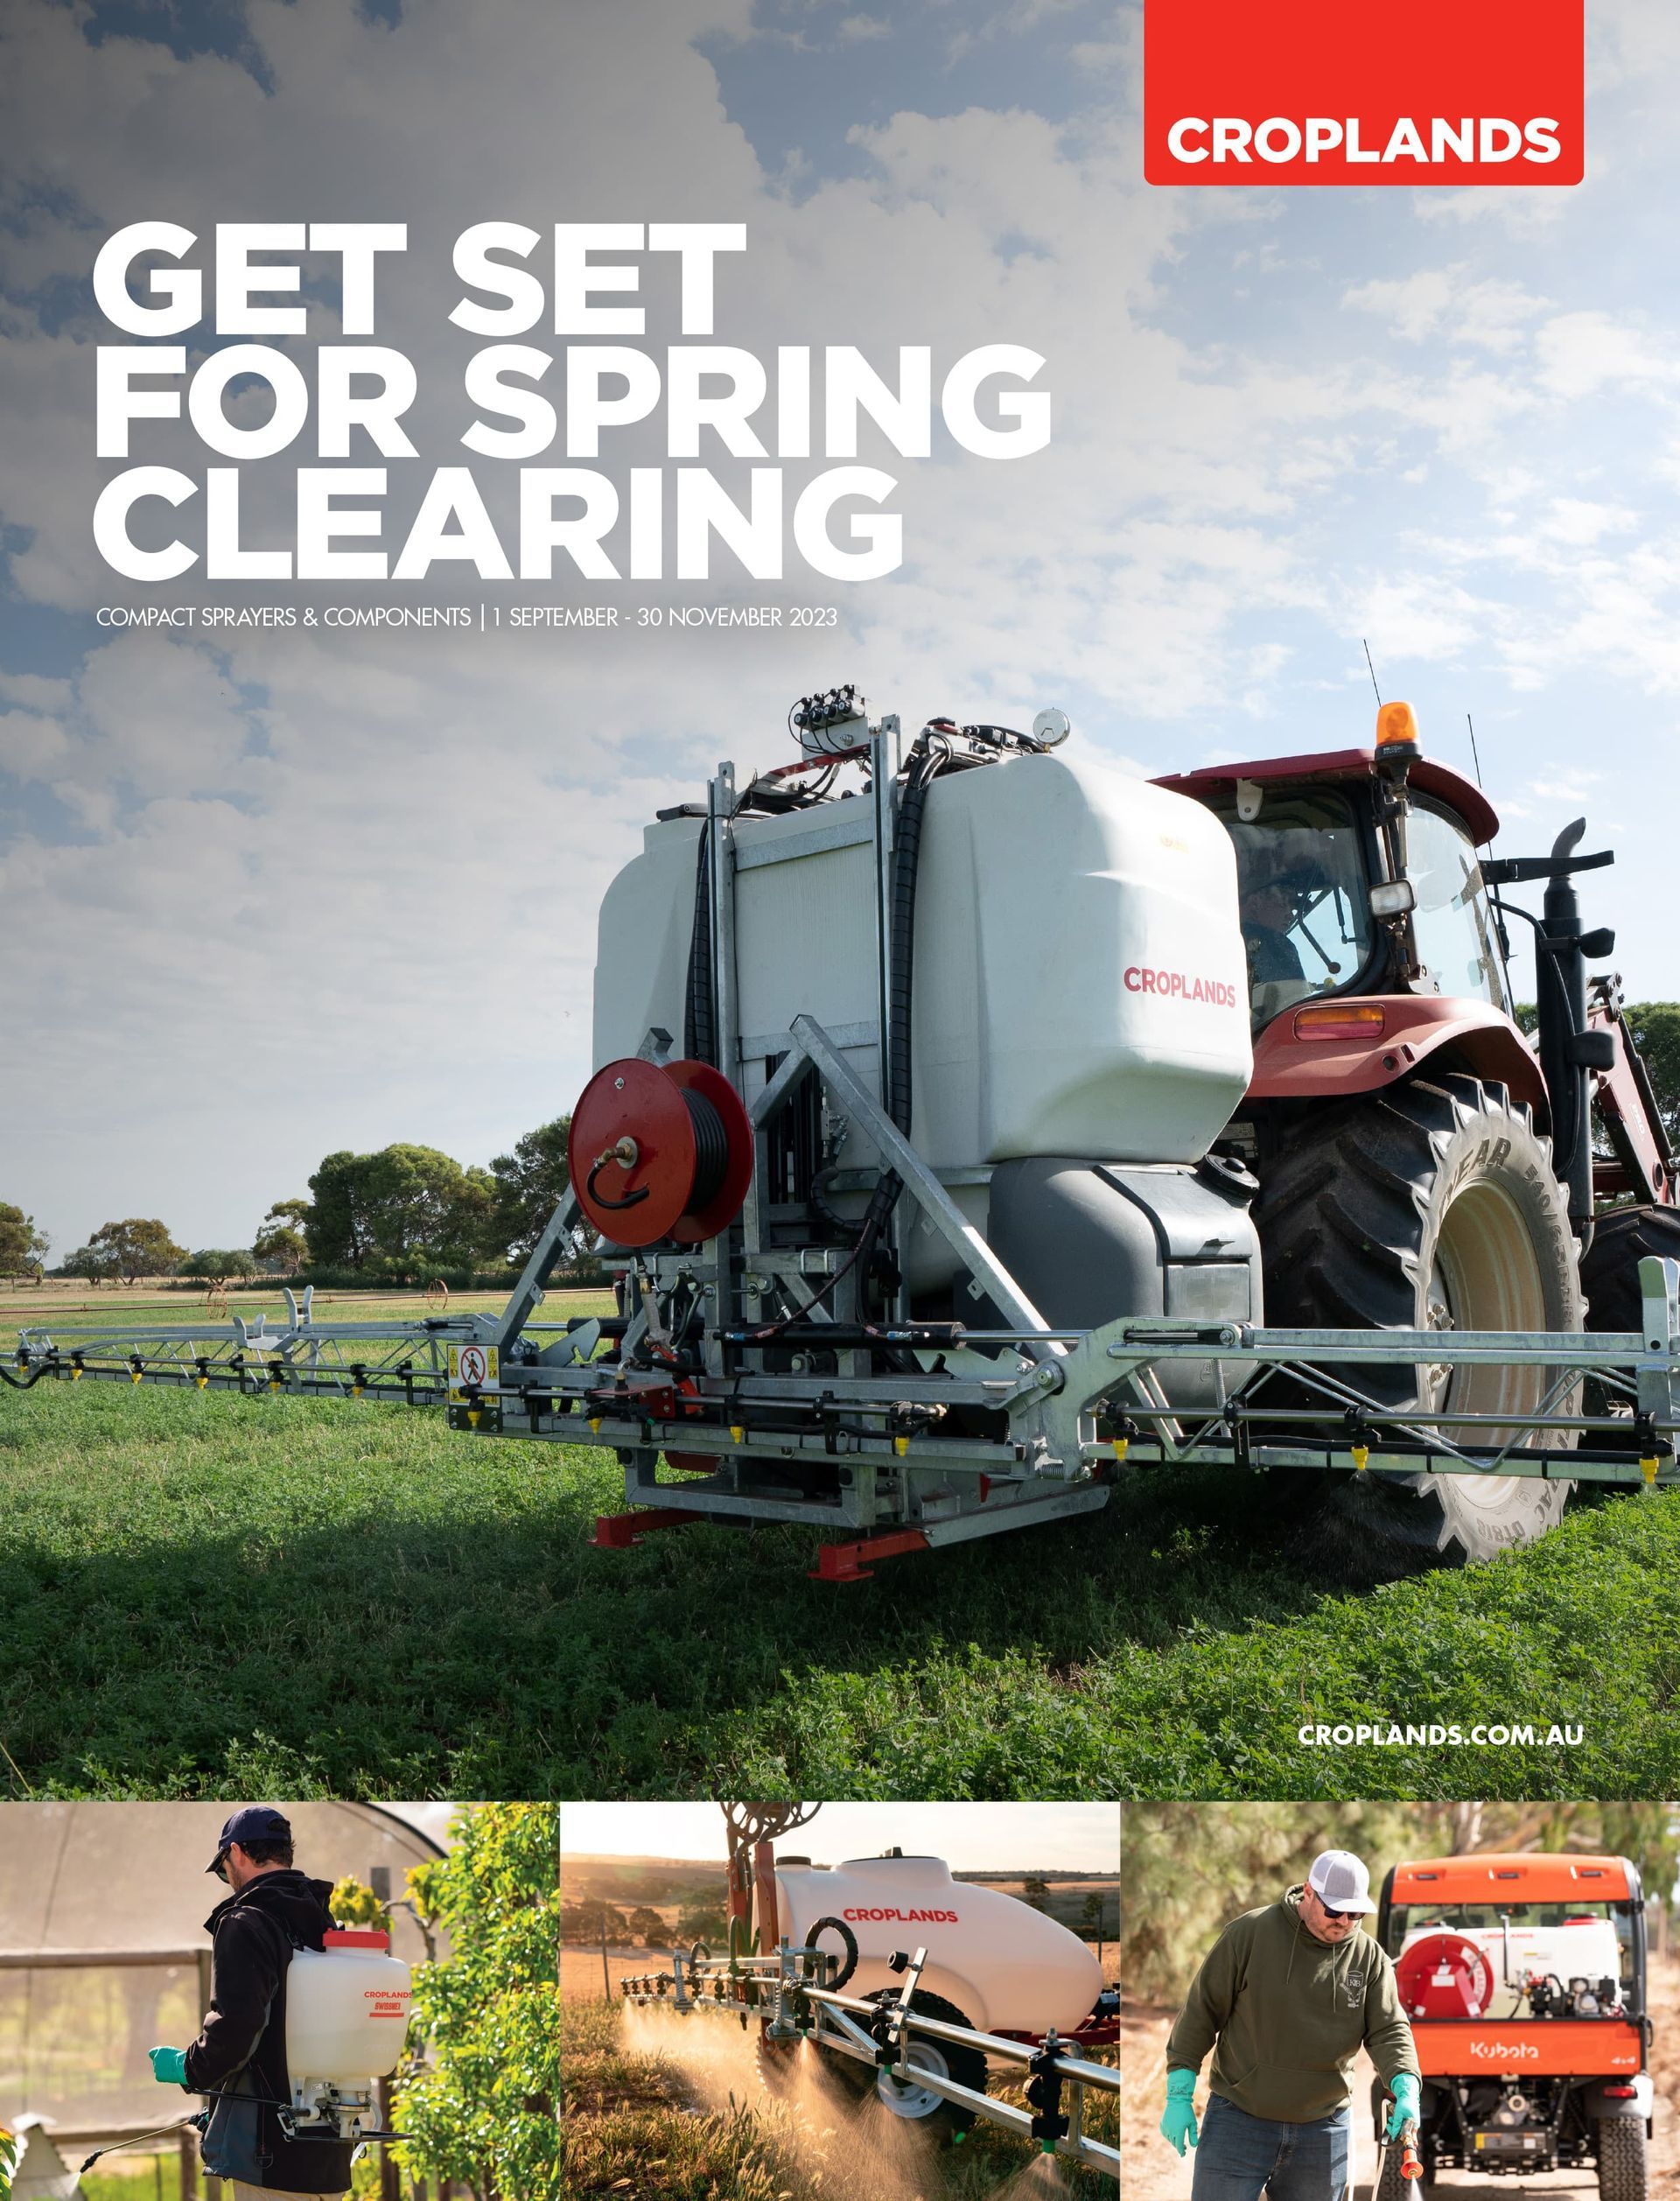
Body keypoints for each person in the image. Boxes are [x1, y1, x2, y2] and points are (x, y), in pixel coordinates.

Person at [1158, 1849, 1420, 2201]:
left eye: (1356, 1913)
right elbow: (1201, 2012)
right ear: (1309, 1893)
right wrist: (1179, 2094)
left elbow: (1389, 2030)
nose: (1344, 1921)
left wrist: (1406, 2086)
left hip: (1323, 2131)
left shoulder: (1369, 1958)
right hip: (1238, 2121)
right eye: (1334, 1910)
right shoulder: (1249, 1934)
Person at [149, 1806, 356, 2201]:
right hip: (329, 2152)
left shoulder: (245, 1922)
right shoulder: (324, 1922)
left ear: (238, 1853)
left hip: (271, 2157)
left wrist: (189, 2068)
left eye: (224, 1867)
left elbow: (238, 2028)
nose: (228, 1879)